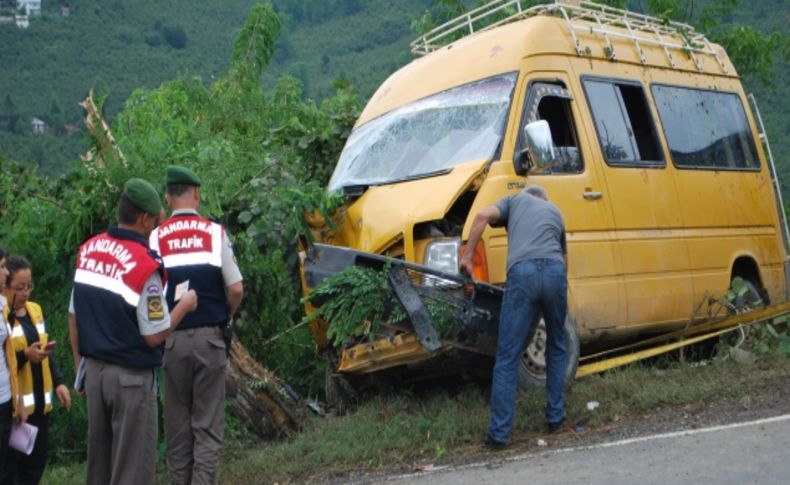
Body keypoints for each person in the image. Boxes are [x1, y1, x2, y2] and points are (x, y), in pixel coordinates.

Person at [69, 178, 198, 485]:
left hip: (95, 374)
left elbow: (73, 315)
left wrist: (80, 370)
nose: (154, 229)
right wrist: (184, 306)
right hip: (130, 381)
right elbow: (153, 334)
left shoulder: (89, 250)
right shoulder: (143, 265)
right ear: (143, 219)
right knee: (133, 472)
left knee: (99, 470)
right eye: (154, 222)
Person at [150, 166, 243, 485]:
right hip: (210, 341)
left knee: (177, 429)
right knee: (207, 426)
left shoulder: (155, 236)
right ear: (197, 194)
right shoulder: (214, 232)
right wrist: (225, 316)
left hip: (171, 341)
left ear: (168, 197)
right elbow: (236, 289)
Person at [460, 184, 568, 448]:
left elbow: (482, 217)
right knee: (557, 345)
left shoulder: (516, 199)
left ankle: (498, 435)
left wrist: (468, 257)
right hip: (555, 272)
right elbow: (565, 261)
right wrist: (557, 292)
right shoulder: (556, 211)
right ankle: (556, 418)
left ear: (529, 195)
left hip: (523, 274)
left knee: (508, 355)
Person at [3, 255, 71, 484]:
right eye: (19, 287)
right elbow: (6, 361)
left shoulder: (35, 310)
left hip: (40, 407)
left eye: (29, 286)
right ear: (6, 285)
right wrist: (25, 356)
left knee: (35, 468)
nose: (25, 292)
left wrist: (59, 381)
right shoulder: (3, 319)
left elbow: (44, 353)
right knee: (13, 471)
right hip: (16, 411)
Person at [0, 247, 27, 483]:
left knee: (7, 467)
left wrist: (17, 399)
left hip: (6, 398)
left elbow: (8, 357)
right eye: (1, 267)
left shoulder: (3, 308)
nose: (5, 271)